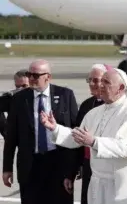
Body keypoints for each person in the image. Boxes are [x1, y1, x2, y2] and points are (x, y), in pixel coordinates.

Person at [40, 68, 127, 204]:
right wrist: (56, 128)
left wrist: (94, 142)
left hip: (122, 185)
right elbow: (78, 137)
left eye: (107, 82)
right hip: (98, 182)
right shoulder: (94, 113)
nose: (101, 85)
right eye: (102, 81)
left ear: (121, 88)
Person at [2, 59, 79, 204]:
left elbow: (74, 132)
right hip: (30, 166)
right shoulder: (19, 99)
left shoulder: (65, 95)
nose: (31, 78)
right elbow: (11, 136)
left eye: (35, 75)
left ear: (48, 77)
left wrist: (75, 167)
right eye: (29, 74)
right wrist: (7, 168)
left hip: (59, 165)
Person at [64, 63, 111, 204]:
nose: (91, 83)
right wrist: (70, 173)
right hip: (89, 167)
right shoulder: (86, 105)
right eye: (89, 80)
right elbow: (77, 141)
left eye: (95, 80)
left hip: (108, 170)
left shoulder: (116, 106)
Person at [0, 69, 29, 138]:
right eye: (17, 86)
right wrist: (6, 131)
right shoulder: (10, 97)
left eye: (24, 86)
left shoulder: (42, 98)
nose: (20, 89)